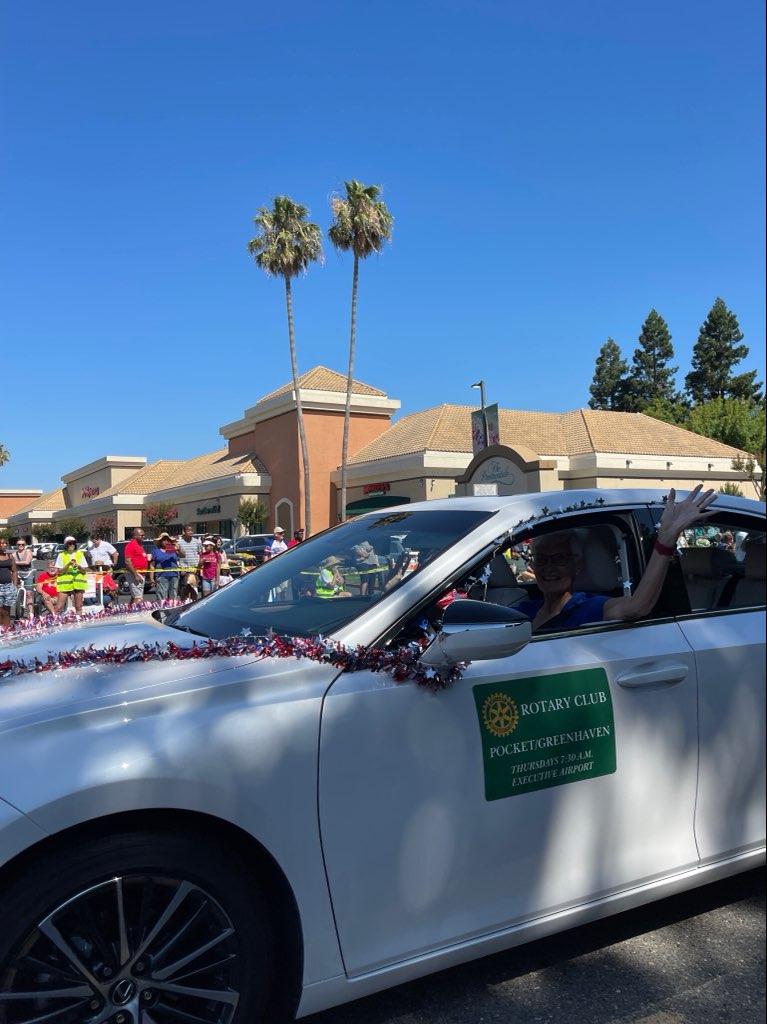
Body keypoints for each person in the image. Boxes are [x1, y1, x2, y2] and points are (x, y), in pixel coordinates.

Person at [514, 485, 717, 632]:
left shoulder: (588, 607)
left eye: (558, 559)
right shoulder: (524, 610)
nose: (548, 568)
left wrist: (665, 541)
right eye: (541, 559)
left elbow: (637, 606)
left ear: (577, 565)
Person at [54, 536, 90, 613]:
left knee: (79, 606)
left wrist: (78, 566)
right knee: (58, 607)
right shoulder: (61, 555)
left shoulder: (80, 554)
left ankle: (79, 623)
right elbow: (59, 571)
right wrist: (68, 565)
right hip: (65, 584)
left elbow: (84, 570)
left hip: (78, 583)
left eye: (73, 543)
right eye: (70, 543)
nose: (72, 545)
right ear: (66, 545)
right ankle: (53, 622)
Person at [124, 528, 149, 606]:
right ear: (135, 536)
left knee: (135, 596)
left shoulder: (140, 545)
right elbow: (127, 561)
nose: (143, 537)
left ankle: (128, 611)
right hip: (135, 573)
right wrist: (135, 574)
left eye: (144, 535)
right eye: (141, 535)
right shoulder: (131, 545)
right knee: (138, 597)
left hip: (141, 573)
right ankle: (135, 614)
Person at [151, 532, 180, 602]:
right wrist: (151, 578)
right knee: (162, 596)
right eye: (163, 540)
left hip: (174, 575)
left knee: (173, 596)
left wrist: (177, 548)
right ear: (160, 541)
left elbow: (183, 555)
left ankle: (173, 611)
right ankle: (162, 611)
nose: (166, 541)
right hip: (161, 576)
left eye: (167, 540)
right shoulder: (156, 551)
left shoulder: (173, 549)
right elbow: (152, 565)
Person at [176, 524, 202, 600]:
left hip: (194, 569)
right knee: (184, 591)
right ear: (184, 531)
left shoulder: (197, 542)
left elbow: (200, 555)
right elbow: (178, 556)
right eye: (188, 530)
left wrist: (198, 568)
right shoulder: (179, 542)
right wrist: (181, 568)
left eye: (191, 530)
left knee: (194, 591)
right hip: (184, 570)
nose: (190, 532)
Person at [0, 537, 19, 629]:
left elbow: (14, 571)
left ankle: (6, 630)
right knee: (0, 610)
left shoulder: (10, 556)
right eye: (2, 543)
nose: (4, 545)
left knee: (7, 610)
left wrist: (14, 585)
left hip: (8, 586)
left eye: (5, 543)